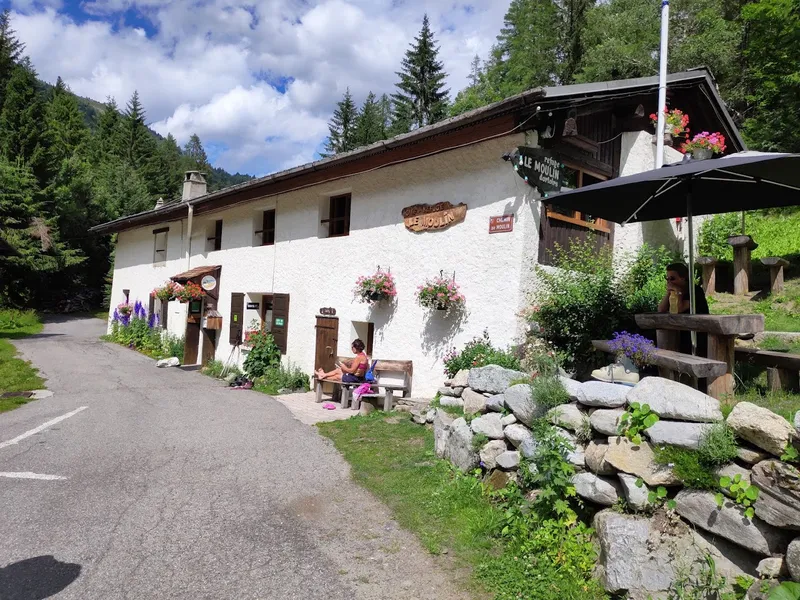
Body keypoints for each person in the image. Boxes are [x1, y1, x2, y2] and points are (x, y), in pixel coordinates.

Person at [658, 262, 709, 357]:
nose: (669, 282)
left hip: (697, 334)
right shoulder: (675, 292)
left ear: (683, 278)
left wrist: (678, 293)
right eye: (667, 279)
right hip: (682, 333)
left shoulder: (695, 291)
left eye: (672, 278)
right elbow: (661, 309)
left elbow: (679, 309)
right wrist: (668, 293)